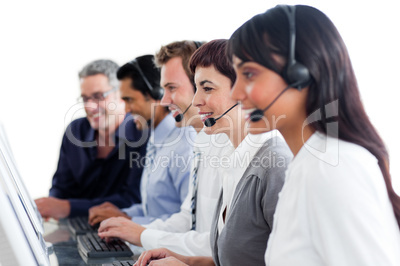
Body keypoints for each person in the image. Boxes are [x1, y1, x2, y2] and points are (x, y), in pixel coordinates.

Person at [227, 4, 400, 265]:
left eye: (249, 74)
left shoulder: (331, 166)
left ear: (301, 74)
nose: (235, 93)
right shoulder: (308, 165)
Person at [130, 39, 292, 266]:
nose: (196, 101)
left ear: (244, 91)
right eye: (197, 88)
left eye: (207, 88)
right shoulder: (234, 161)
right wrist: (186, 260)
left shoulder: (274, 165)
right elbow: (228, 256)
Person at [94, 40, 234, 257]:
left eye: (171, 88)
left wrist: (140, 234)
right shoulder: (202, 143)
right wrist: (135, 231)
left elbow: (220, 244)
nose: (164, 100)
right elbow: (188, 217)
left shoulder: (227, 151)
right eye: (163, 89)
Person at [88, 55, 196, 225]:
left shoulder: (184, 146)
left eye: (129, 100)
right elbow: (153, 210)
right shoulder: (155, 139)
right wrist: (120, 214)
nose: (127, 110)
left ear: (155, 95)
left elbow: (190, 222)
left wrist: (130, 221)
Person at [35, 59, 147, 219]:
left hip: (121, 232)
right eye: (85, 98)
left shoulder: (141, 134)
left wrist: (68, 208)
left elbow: (133, 200)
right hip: (74, 229)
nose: (90, 107)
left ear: (121, 94)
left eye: (98, 96)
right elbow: (61, 189)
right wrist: (49, 205)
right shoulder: (75, 132)